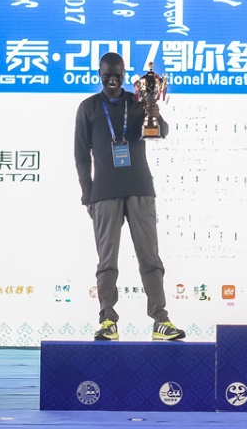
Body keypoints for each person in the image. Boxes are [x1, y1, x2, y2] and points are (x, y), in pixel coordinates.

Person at [74, 52, 185, 341]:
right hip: (104, 192)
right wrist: (87, 195)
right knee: (107, 260)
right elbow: (81, 155)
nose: (112, 80)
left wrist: (153, 110)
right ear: (99, 75)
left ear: (124, 76)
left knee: (150, 257)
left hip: (140, 188)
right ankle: (107, 321)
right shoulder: (88, 107)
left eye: (117, 76)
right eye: (107, 76)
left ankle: (160, 319)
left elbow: (162, 132)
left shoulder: (137, 102)